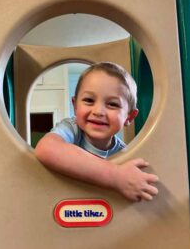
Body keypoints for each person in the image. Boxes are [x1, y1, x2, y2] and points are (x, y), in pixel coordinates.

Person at [35, 62, 159, 202]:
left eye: (112, 104)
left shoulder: (124, 154)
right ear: (75, 105)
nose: (98, 111)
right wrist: (117, 177)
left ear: (129, 117)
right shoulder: (72, 129)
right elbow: (46, 149)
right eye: (89, 100)